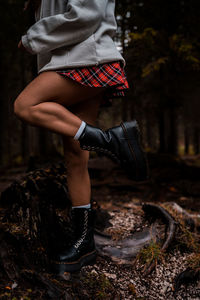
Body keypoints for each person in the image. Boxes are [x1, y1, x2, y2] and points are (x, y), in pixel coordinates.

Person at [14, 0, 149, 273]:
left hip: (87, 57)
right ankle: (84, 244)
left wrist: (33, 38)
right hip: (72, 59)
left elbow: (88, 14)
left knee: (25, 105)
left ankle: (111, 140)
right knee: (76, 156)